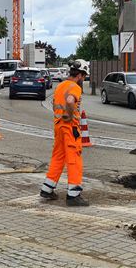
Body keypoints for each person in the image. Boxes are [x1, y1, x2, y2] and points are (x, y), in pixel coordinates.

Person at [40, 61, 90, 206]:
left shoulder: (60, 85)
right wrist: (68, 114)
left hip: (58, 127)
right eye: (84, 76)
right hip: (70, 128)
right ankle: (73, 195)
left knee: (58, 157)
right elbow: (69, 101)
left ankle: (47, 188)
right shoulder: (74, 87)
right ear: (79, 75)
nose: (84, 79)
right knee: (74, 159)